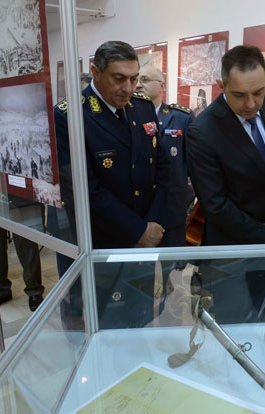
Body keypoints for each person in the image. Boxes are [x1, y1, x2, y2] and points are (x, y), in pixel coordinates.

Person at [54, 41, 169, 328]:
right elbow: (83, 191)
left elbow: (163, 170)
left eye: (134, 78)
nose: (128, 88)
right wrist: (138, 230)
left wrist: (152, 226)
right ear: (95, 72)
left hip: (144, 245)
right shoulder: (71, 116)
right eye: (119, 78)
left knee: (139, 319)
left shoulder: (142, 108)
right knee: (104, 327)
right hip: (102, 247)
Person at [186, 45, 265, 323]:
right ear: (221, 85)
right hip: (231, 255)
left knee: (262, 318)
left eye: (258, 92)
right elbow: (215, 204)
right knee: (234, 327)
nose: (251, 103)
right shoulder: (203, 131)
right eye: (239, 95)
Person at [136, 65, 195, 247]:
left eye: (145, 80)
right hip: (139, 212)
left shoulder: (181, 118)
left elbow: (192, 165)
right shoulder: (128, 118)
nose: (138, 85)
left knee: (173, 261)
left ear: (162, 86)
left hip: (172, 210)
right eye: (136, 80)